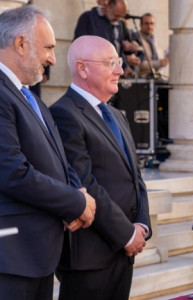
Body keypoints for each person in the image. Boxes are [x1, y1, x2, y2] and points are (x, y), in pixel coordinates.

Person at [0, 6, 96, 299]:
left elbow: (59, 159)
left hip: (38, 255)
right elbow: (11, 171)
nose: (53, 59)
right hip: (11, 257)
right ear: (20, 43)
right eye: (49, 48)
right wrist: (74, 202)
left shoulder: (32, 99)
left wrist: (76, 191)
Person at [49, 36, 151, 300]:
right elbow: (85, 183)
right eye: (110, 63)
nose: (119, 70)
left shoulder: (116, 115)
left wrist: (141, 224)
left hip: (123, 251)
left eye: (118, 62)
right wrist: (127, 234)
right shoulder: (64, 113)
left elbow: (135, 177)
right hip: (90, 256)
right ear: (82, 68)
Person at [74, 0, 141, 78]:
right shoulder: (88, 18)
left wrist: (125, 67)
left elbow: (118, 51)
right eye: (117, 15)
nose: (119, 19)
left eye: (121, 17)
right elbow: (78, 46)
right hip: (93, 74)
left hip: (112, 75)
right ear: (108, 7)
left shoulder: (119, 24)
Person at [134, 13, 168, 78]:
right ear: (141, 25)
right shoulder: (136, 38)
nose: (149, 26)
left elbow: (160, 58)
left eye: (151, 23)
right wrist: (158, 63)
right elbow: (138, 63)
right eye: (146, 23)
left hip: (158, 77)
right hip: (143, 79)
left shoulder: (155, 40)